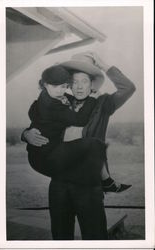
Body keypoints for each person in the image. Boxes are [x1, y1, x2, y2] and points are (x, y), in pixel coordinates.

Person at [22, 51, 136, 240]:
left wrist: (105, 65)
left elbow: (128, 88)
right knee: (60, 237)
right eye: (74, 82)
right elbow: (42, 123)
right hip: (59, 183)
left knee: (95, 238)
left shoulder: (103, 103)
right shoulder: (61, 101)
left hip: (88, 184)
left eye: (84, 81)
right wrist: (26, 134)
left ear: (92, 84)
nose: (79, 86)